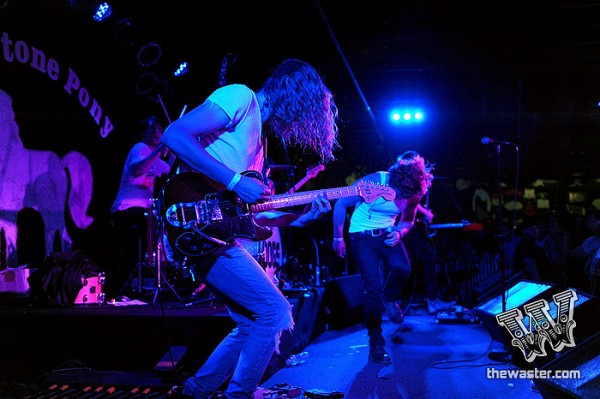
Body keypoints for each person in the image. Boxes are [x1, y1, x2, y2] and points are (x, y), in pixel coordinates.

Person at [160, 58, 339, 399]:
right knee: (275, 312)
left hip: (219, 234)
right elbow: (174, 134)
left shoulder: (260, 146)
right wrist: (234, 180)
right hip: (195, 224)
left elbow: (252, 217)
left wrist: (295, 218)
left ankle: (196, 391)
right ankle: (239, 394)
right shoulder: (240, 98)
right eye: (307, 109)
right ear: (294, 94)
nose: (303, 121)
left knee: (250, 323)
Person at [332, 151, 434, 364]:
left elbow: (408, 221)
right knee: (373, 291)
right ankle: (376, 344)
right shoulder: (377, 180)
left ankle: (391, 298)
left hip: (388, 232)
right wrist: (337, 238)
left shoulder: (414, 192)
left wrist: (399, 233)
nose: (403, 197)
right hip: (362, 236)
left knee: (403, 268)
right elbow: (341, 203)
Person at [107, 116, 174, 300]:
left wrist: (176, 148)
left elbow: (168, 171)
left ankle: (122, 289)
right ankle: (118, 290)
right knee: (127, 252)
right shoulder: (140, 148)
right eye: (152, 129)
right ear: (143, 133)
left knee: (133, 252)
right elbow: (137, 170)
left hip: (140, 211)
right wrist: (159, 150)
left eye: (159, 129)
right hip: (125, 209)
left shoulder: (154, 156)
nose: (156, 132)